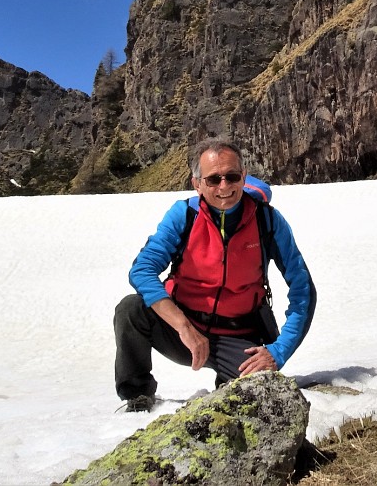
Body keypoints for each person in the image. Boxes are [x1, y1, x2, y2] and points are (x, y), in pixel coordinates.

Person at [113, 137, 316, 411]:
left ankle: (228, 382)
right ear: (197, 184)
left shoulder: (267, 220)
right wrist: (183, 327)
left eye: (232, 177)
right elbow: (142, 270)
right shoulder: (184, 216)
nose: (224, 187)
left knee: (258, 395)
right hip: (183, 330)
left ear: (244, 177)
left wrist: (278, 352)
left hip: (240, 335)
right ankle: (137, 397)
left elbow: (303, 289)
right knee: (131, 309)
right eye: (213, 179)